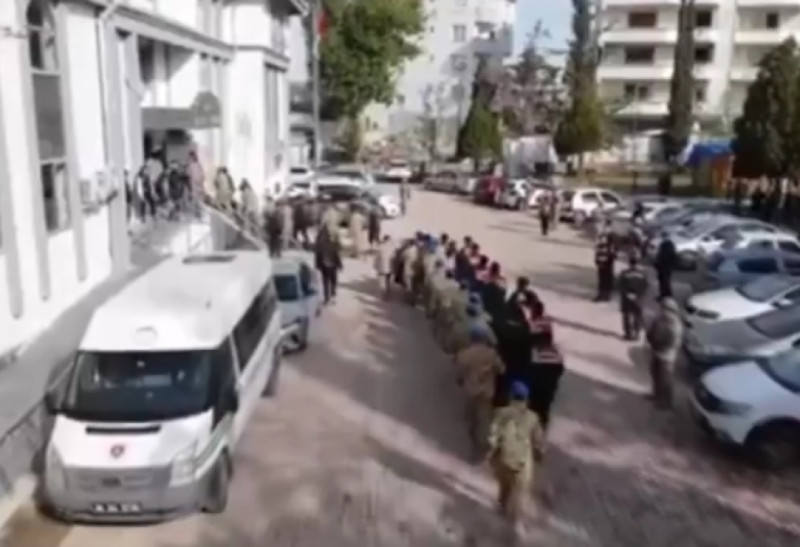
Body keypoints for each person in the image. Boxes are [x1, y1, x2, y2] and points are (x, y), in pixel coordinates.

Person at [487, 381, 545, 530]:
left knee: (504, 487)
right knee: (521, 492)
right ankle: (517, 521)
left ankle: (501, 508)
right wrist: (539, 454)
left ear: (511, 397)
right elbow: (538, 442)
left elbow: (493, 436)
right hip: (522, 463)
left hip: (503, 460)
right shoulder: (533, 418)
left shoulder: (500, 413)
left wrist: (491, 453)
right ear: (527, 399)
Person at [456, 327, 505, 459]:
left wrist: (461, 381)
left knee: (470, 419)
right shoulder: (491, 354)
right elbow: (501, 369)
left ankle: (473, 444)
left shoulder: (464, 354)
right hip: (486, 392)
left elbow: (459, 374)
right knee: (484, 421)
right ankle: (482, 448)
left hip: (470, 391)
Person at [645, 297, 684, 409]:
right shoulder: (659, 319)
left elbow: (671, 342)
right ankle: (656, 395)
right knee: (655, 374)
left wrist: (657, 344)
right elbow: (651, 330)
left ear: (672, 311)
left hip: (667, 355)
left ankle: (666, 403)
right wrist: (651, 340)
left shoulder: (675, 325)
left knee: (665, 380)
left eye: (665, 309)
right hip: (656, 351)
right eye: (662, 308)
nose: (662, 311)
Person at [528, 325, 565, 430]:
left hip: (536, 389)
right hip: (549, 389)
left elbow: (530, 369)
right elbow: (560, 370)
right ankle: (541, 429)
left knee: (533, 410)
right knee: (544, 410)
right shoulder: (555, 353)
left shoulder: (534, 353)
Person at [617, 253, 649, 341]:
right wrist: (638, 295)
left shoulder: (624, 273)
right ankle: (636, 334)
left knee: (626, 315)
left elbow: (620, 285)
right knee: (637, 315)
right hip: (638, 298)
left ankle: (628, 334)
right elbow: (645, 286)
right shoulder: (643, 274)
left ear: (629, 263)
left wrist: (627, 294)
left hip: (626, 298)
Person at [315, 224, 343, 304]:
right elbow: (336, 255)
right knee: (333, 281)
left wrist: (317, 265)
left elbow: (318, 256)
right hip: (333, 266)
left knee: (325, 282)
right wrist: (340, 265)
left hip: (324, 266)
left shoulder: (320, 245)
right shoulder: (332, 244)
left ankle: (326, 298)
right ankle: (333, 296)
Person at [594, 229, 616, 302]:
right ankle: (602, 295)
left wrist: (606, 262)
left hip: (607, 267)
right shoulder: (601, 246)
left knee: (606, 280)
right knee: (602, 280)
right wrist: (597, 262)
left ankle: (606, 295)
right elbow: (597, 255)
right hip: (602, 266)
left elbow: (613, 257)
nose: (602, 239)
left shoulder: (610, 247)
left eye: (604, 238)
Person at [655, 231, 677, 300]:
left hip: (664, 266)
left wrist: (659, 263)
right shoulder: (670, 244)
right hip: (666, 266)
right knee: (665, 280)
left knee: (664, 281)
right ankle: (667, 294)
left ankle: (664, 295)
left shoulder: (666, 245)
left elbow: (664, 256)